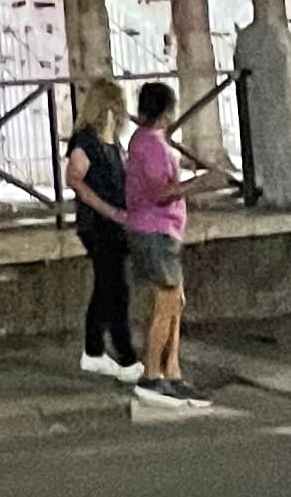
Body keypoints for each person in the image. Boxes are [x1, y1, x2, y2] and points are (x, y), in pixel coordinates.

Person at [123, 82, 210, 407]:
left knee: (175, 301)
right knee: (166, 303)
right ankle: (152, 373)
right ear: (168, 111)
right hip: (156, 230)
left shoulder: (142, 139)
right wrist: (199, 184)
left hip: (157, 230)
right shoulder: (153, 146)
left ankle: (171, 371)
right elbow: (161, 193)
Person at [66, 72, 142, 382]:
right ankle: (125, 356)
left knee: (106, 288)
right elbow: (75, 180)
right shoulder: (87, 141)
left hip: (115, 223)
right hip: (98, 224)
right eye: (118, 106)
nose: (123, 112)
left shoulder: (111, 142)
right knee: (115, 290)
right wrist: (108, 210)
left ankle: (94, 351)